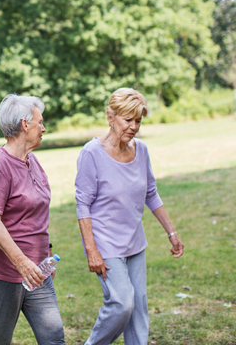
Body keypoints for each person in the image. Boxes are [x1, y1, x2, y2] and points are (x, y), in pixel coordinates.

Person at [75, 88, 185, 345]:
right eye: (128, 119)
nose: (134, 126)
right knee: (122, 303)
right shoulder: (91, 153)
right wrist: (91, 250)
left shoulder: (141, 150)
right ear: (110, 117)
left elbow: (151, 193)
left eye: (139, 120)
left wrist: (172, 233)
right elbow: (83, 205)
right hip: (105, 244)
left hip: (134, 242)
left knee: (138, 309)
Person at [0, 94, 66, 345]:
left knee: (54, 338)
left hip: (38, 271)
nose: (44, 128)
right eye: (40, 122)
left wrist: (45, 254)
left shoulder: (32, 161)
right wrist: (22, 263)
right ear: (25, 125)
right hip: (3, 272)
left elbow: (36, 213)